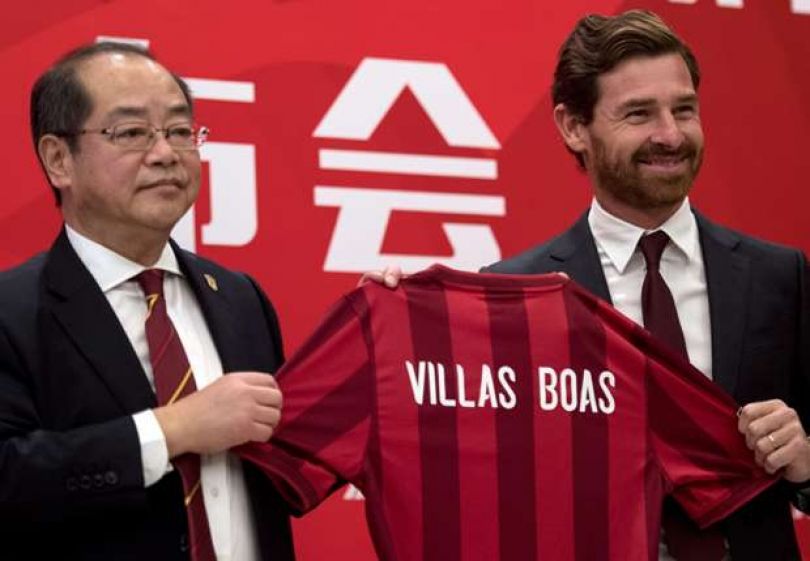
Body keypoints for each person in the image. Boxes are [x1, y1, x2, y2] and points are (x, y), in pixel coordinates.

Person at [479, 9, 810, 561]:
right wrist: (402, 318)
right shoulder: (513, 294)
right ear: (573, 126)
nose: (670, 135)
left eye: (684, 109)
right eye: (639, 113)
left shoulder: (779, 276)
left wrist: (805, 459)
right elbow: (479, 476)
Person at [0, 43, 294, 560]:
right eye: (132, 133)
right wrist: (172, 430)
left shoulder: (240, 298)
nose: (166, 154)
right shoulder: (13, 311)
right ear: (59, 159)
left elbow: (291, 460)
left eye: (180, 131)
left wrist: (378, 326)